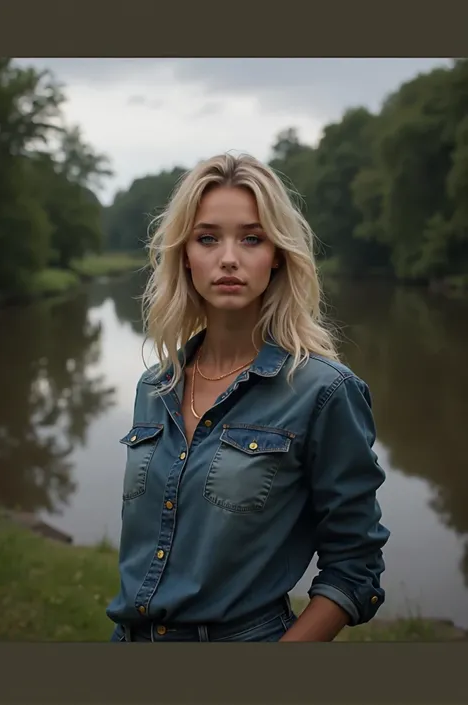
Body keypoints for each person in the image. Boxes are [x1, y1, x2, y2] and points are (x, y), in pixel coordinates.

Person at [106, 152, 390, 643]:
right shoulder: (155, 387)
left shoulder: (324, 392)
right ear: (185, 254)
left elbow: (355, 566)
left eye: (252, 238)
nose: (229, 258)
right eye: (208, 238)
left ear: (277, 254)